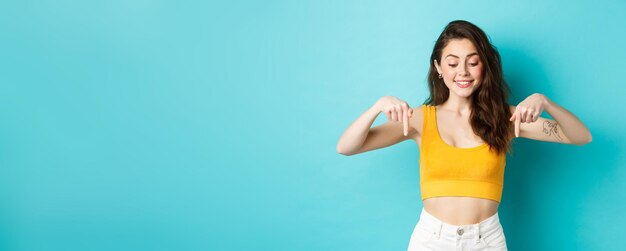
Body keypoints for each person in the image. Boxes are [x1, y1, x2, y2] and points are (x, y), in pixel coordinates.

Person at [335, 20, 592, 251]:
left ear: (485, 65)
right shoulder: (418, 119)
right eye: (453, 63)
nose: (463, 72)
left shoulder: (506, 119)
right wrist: (377, 107)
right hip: (431, 240)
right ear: (438, 67)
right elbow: (347, 146)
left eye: (473, 61)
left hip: (487, 240)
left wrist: (545, 103)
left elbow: (580, 136)